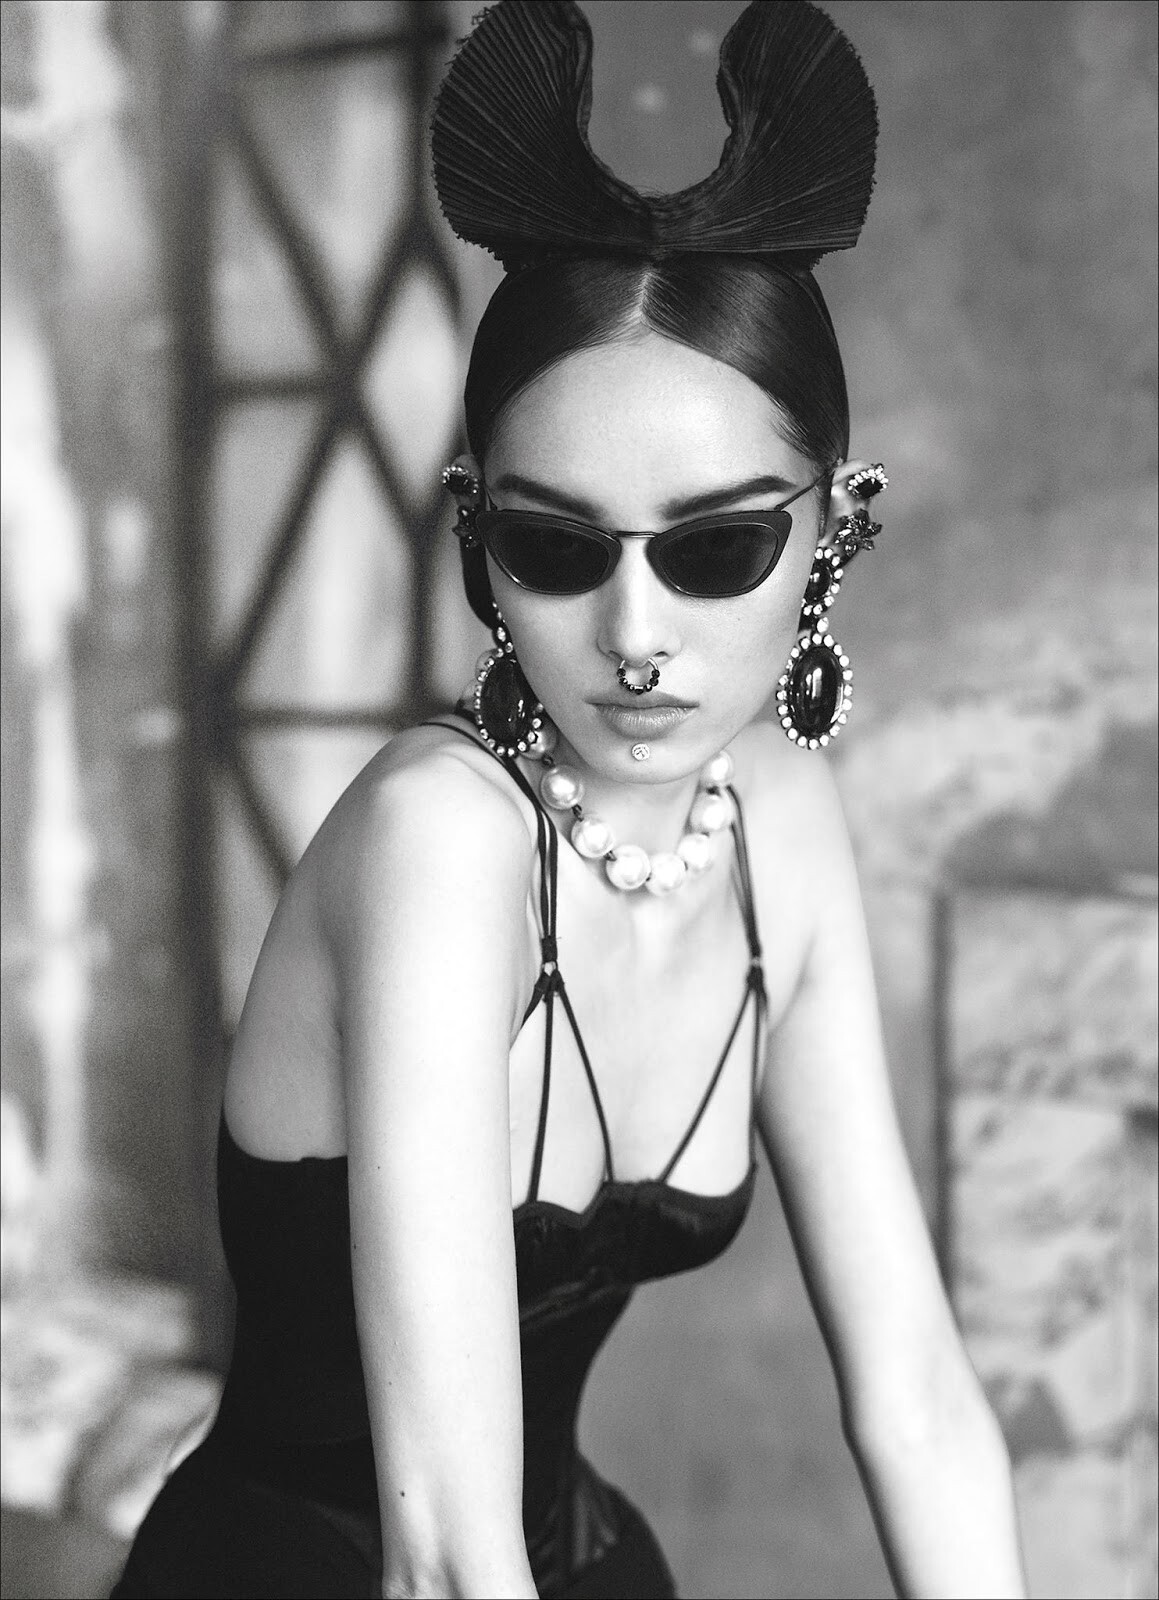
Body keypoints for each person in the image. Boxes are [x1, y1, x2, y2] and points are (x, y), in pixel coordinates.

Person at [113, 3, 1027, 1597]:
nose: (635, 636)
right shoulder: (439, 842)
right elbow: (446, 1553)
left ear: (836, 528)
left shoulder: (781, 821)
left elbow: (921, 1406)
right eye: (555, 546)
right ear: (477, 535)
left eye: (717, 547)